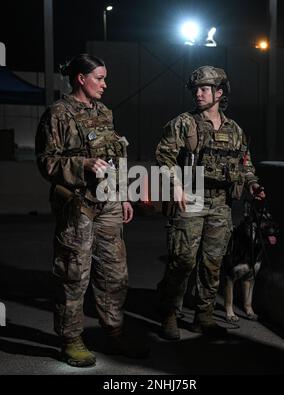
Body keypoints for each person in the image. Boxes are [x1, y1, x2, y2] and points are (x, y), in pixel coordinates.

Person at [35, 53, 147, 367]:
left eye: (105, 78)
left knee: (114, 273)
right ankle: (71, 340)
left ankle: (114, 332)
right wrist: (82, 164)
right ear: (80, 79)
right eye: (99, 78)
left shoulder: (105, 113)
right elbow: (46, 161)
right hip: (77, 204)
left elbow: (115, 156)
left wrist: (125, 195)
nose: (104, 84)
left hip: (109, 202)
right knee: (74, 274)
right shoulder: (58, 113)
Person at [156, 65, 265, 340]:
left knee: (213, 263)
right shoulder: (183, 123)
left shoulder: (235, 130)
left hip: (221, 203)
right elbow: (163, 157)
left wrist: (252, 184)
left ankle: (203, 317)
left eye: (205, 89)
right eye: (196, 89)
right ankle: (170, 313)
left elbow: (245, 162)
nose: (198, 94)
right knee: (182, 261)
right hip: (190, 198)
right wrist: (176, 185)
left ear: (219, 93)